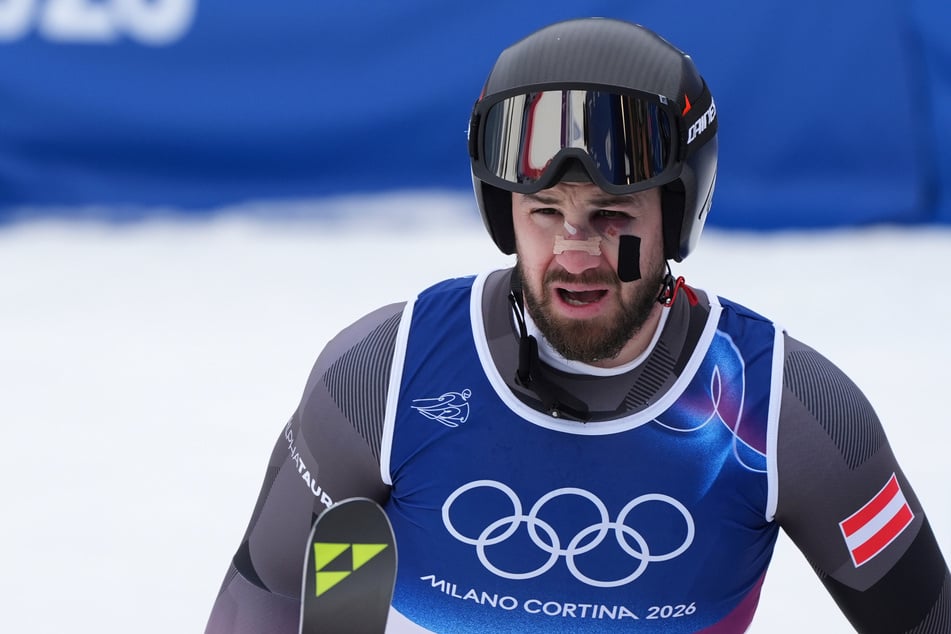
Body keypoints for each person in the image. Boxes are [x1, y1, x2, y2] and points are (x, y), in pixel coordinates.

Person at [204, 17, 950, 633]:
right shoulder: (381, 379)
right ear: (504, 216)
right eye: (544, 215)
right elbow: (258, 602)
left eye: (611, 216)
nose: (574, 252)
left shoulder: (787, 414)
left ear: (677, 217)